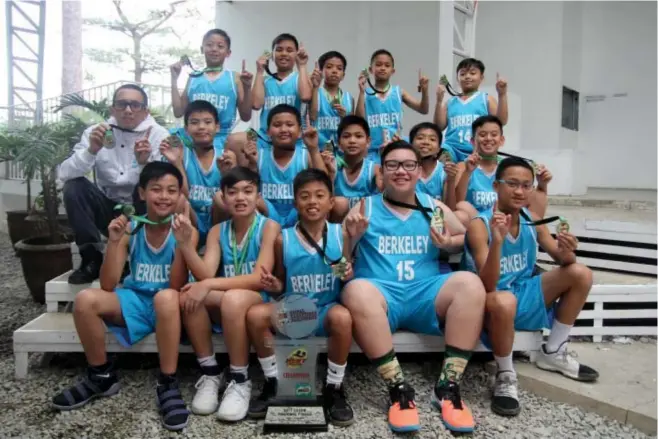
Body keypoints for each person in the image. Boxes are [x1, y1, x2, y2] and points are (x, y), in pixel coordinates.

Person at [340, 140, 486, 434]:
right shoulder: (365, 206)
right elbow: (341, 262)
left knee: (470, 284)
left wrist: (449, 242)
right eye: (393, 165)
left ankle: (447, 387)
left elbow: (465, 236)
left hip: (425, 292)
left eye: (409, 165)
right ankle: (398, 388)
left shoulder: (433, 206)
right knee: (355, 290)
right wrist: (351, 237)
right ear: (382, 171)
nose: (401, 171)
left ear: (419, 171)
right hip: (382, 293)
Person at [51, 162, 191, 431]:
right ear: (141, 193)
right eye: (156, 189)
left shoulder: (184, 230)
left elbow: (175, 284)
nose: (164, 196)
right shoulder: (132, 228)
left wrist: (183, 243)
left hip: (169, 304)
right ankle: (101, 375)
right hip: (135, 300)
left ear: (179, 196)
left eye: (171, 191)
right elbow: (107, 284)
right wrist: (114, 242)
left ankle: (168, 380)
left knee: (167, 297)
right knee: (85, 300)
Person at [462, 157, 599, 417]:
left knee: (581, 273)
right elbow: (487, 284)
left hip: (525, 293)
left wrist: (568, 251)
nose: (520, 191)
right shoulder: (479, 226)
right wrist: (498, 243)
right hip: (490, 303)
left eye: (527, 185)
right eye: (512, 183)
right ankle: (505, 374)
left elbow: (563, 262)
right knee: (504, 300)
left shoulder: (531, 218)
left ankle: (553, 351)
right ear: (495, 186)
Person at [247, 168, 355, 426]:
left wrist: (348, 271)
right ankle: (273, 381)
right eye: (305, 196)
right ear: (295, 203)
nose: (312, 202)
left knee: (342, 317)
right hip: (295, 310)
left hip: (326, 309)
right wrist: (274, 285)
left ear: (331, 202)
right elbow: (282, 284)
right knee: (255, 315)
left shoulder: (342, 234)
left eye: (319, 195)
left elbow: (345, 275)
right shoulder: (283, 240)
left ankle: (334, 387)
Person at [173, 166, 280, 421]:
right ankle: (210, 373)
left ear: (258, 195)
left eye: (248, 191)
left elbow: (258, 279)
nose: (240, 198)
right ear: (223, 196)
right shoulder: (216, 231)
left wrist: (209, 285)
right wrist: (185, 244)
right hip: (230, 301)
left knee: (229, 297)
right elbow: (205, 273)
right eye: (232, 192)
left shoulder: (269, 227)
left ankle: (240, 379)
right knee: (189, 293)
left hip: (259, 300)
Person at [59, 83, 168, 284]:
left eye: (135, 105)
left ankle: (134, 260)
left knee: (150, 189)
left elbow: (166, 186)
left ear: (145, 111)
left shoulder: (158, 135)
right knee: (74, 187)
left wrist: (145, 165)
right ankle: (91, 258)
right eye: (122, 104)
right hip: (107, 207)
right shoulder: (96, 132)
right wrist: (91, 150)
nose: (128, 110)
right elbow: (64, 173)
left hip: (141, 209)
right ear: (112, 109)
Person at [243, 104, 345, 227]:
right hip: (266, 217)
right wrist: (252, 164)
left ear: (299, 131)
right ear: (268, 131)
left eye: (290, 125)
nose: (283, 129)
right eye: (277, 125)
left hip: (298, 213)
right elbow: (249, 190)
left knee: (331, 202)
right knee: (253, 201)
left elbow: (322, 184)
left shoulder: (305, 155)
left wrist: (313, 149)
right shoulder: (258, 155)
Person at [160, 100, 237, 245]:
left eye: (208, 122)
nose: (201, 127)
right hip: (190, 219)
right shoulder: (180, 155)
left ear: (217, 127)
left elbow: (232, 197)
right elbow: (184, 196)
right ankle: (182, 247)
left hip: (219, 221)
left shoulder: (226, 157)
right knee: (178, 199)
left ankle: (221, 246)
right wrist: (176, 163)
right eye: (195, 122)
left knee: (221, 198)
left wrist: (227, 174)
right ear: (186, 128)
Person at [451, 115, 551, 221]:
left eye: (494, 135)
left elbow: (529, 203)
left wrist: (542, 184)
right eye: (482, 135)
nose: (488, 139)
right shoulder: (462, 166)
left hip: (507, 221)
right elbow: (456, 203)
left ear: (501, 140)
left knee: (537, 198)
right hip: (476, 223)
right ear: (472, 141)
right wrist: (468, 172)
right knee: (462, 207)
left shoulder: (510, 167)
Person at [170, 29, 253, 155]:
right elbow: (178, 111)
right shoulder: (194, 77)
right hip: (194, 140)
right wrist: (174, 79)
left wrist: (247, 88)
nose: (214, 49)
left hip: (222, 141)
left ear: (228, 53)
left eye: (220, 46)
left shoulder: (234, 78)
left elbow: (246, 116)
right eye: (209, 45)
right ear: (202, 49)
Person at [355, 49, 429, 162]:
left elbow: (423, 109)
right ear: (371, 69)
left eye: (387, 65)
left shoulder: (399, 92)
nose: (383, 68)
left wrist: (424, 90)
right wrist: (361, 91)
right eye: (378, 64)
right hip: (373, 151)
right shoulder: (365, 93)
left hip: (396, 147)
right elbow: (359, 121)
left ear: (392, 71)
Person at [433, 58, 508, 163]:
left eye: (472, 73)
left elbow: (502, 121)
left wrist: (502, 94)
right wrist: (438, 101)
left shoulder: (485, 98)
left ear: (481, 78)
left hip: (478, 150)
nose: (467, 77)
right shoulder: (450, 102)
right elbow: (438, 126)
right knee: (445, 165)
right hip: (452, 149)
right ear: (457, 78)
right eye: (462, 74)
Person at [251, 33, 312, 150]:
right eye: (279, 50)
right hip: (266, 139)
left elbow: (305, 96)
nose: (284, 53)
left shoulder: (300, 78)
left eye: (289, 50)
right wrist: (259, 72)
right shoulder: (265, 80)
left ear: (296, 54)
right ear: (272, 56)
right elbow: (255, 104)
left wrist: (302, 65)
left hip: (294, 140)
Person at [308, 51, 354, 148]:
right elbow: (312, 117)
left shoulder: (349, 98)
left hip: (342, 152)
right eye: (329, 67)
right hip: (318, 150)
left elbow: (352, 128)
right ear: (321, 71)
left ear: (343, 75)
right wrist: (315, 87)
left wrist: (344, 117)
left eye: (339, 68)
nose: (334, 71)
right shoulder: (314, 92)